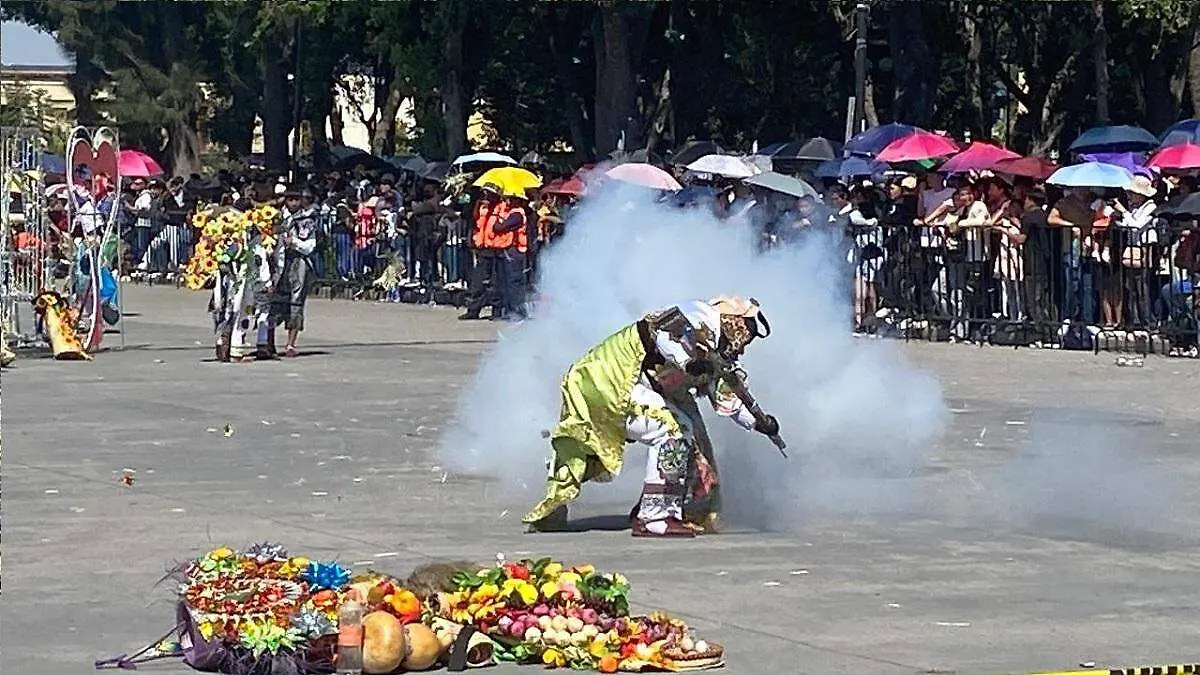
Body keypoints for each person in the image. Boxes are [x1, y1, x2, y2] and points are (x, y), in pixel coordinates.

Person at [522, 295, 781, 538]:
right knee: (675, 430)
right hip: (609, 379)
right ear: (735, 323)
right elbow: (667, 336)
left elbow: (728, 397)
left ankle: (671, 507)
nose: (745, 344)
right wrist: (687, 362)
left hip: (623, 383)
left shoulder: (716, 353)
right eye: (746, 331)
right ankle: (655, 516)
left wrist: (759, 422)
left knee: (693, 439)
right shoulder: (699, 316)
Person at [269, 186, 319, 358]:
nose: (293, 203)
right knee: (273, 301)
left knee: (296, 302)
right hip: (278, 263)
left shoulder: (306, 220)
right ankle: (268, 342)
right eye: (290, 199)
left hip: (298, 263)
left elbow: (311, 246)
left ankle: (290, 343)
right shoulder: (275, 217)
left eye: (296, 199)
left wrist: (295, 242)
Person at [460, 184, 508, 320]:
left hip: (497, 248)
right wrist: (477, 204)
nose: (487, 195)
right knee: (478, 281)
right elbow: (473, 218)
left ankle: (497, 310)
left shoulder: (501, 207)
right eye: (485, 193)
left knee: (495, 282)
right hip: (483, 247)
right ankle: (473, 309)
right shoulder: (482, 205)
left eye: (490, 193)